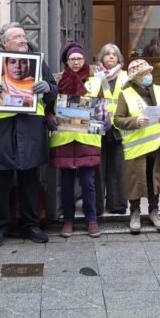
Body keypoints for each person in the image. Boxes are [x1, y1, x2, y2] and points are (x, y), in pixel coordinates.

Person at [0, 22, 57, 247]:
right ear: (3, 42)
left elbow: (54, 91)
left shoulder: (37, 63)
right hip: (2, 129)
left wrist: (47, 88)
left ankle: (31, 225)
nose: (23, 40)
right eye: (17, 37)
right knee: (1, 180)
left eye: (24, 37)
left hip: (31, 128)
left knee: (30, 179)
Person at [113, 59, 160, 233]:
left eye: (149, 72)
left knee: (153, 179)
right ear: (136, 78)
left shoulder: (159, 90)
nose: (148, 76)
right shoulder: (126, 94)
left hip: (157, 143)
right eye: (144, 73)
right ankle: (135, 213)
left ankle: (154, 212)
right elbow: (117, 119)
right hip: (137, 146)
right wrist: (136, 121)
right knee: (136, 181)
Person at [50, 42, 102, 238]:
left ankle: (92, 220)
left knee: (88, 182)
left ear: (84, 59)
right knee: (67, 183)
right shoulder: (57, 81)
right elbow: (50, 106)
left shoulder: (95, 81)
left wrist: (104, 120)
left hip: (86, 139)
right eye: (72, 59)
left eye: (79, 58)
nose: (76, 62)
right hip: (64, 139)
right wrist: (49, 119)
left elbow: (103, 107)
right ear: (66, 61)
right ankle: (68, 221)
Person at [92, 43, 128, 215]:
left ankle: (117, 204)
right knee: (97, 170)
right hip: (97, 127)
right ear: (102, 58)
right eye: (107, 54)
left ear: (119, 58)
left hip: (119, 129)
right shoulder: (94, 77)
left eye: (114, 54)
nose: (111, 57)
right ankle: (97, 207)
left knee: (118, 169)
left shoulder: (126, 77)